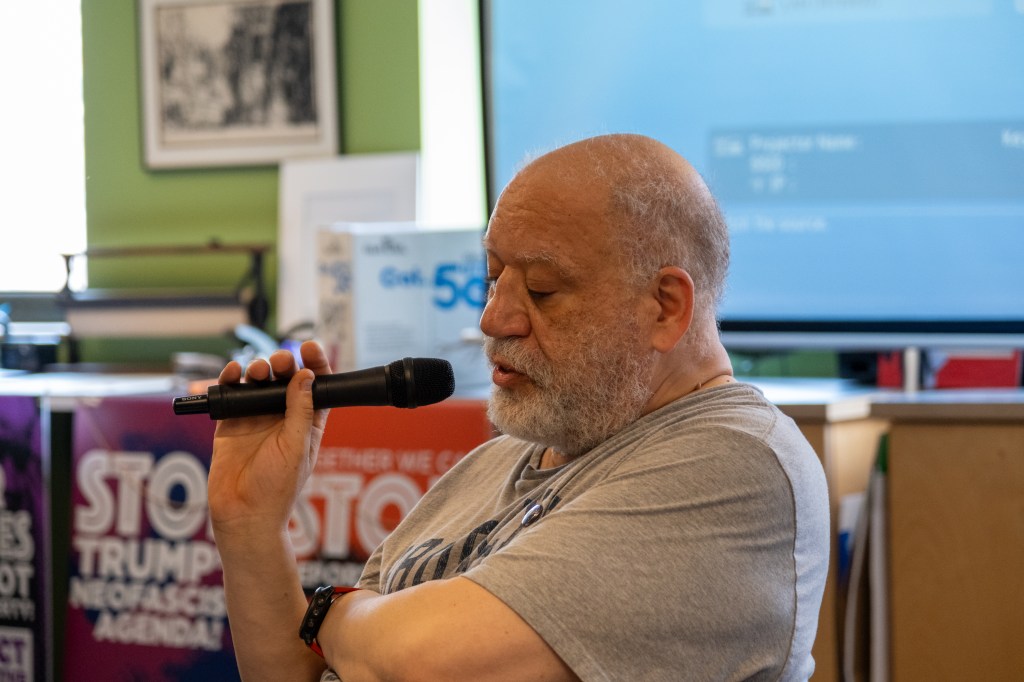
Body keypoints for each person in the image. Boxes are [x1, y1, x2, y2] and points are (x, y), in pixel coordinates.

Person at [207, 133, 830, 681]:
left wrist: (330, 614)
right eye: (493, 277)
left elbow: (424, 663)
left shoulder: (736, 464)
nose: (492, 318)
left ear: (665, 307)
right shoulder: (489, 467)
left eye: (541, 289)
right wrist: (249, 523)